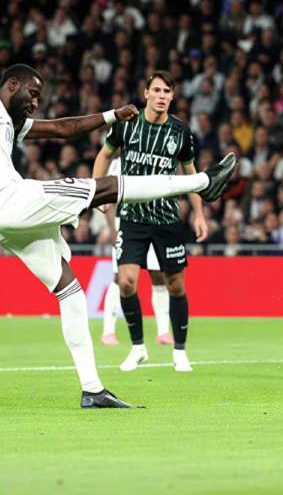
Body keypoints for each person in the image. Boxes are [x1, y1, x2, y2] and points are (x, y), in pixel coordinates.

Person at [0, 65, 236, 408]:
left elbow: (64, 128)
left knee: (71, 292)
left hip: (4, 215)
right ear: (12, 84)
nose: (35, 102)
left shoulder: (8, 122)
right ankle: (203, 183)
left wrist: (112, 115)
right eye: (32, 94)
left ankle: (92, 389)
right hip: (7, 201)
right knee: (104, 187)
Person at [93, 72, 206, 373]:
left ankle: (180, 351)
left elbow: (191, 175)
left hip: (167, 219)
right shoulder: (127, 124)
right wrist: (97, 192)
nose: (161, 95)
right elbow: (104, 156)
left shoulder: (180, 132)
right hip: (131, 218)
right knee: (127, 283)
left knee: (175, 285)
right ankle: (138, 348)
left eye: (167, 91)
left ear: (172, 96)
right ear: (145, 93)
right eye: (156, 90)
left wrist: (199, 213)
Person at [98, 151, 170, 347]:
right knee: (119, 276)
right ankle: (108, 331)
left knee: (158, 273)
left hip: (153, 221)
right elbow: (109, 199)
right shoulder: (117, 164)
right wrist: (113, 229)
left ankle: (163, 331)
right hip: (126, 223)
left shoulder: (153, 159)